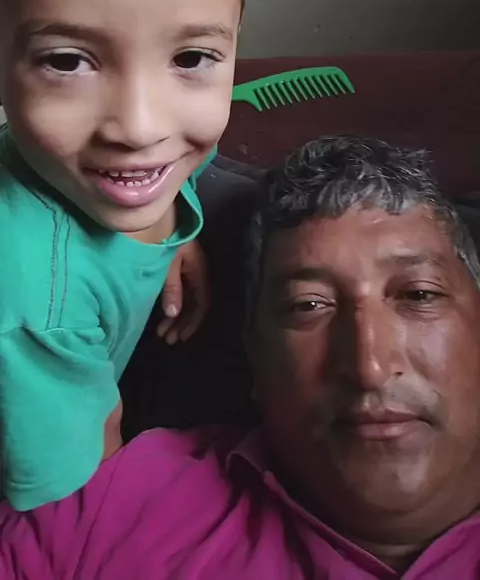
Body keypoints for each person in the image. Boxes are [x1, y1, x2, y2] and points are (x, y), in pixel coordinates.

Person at [1, 135, 480, 578]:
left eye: (419, 295)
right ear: (256, 356)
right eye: (308, 305)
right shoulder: (114, 507)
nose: (369, 368)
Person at [0, 0, 249, 509]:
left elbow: (179, 165)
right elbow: (68, 508)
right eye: (68, 61)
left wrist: (172, 229)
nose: (140, 127)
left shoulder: (149, 159)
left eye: (191, 58)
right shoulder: (31, 305)